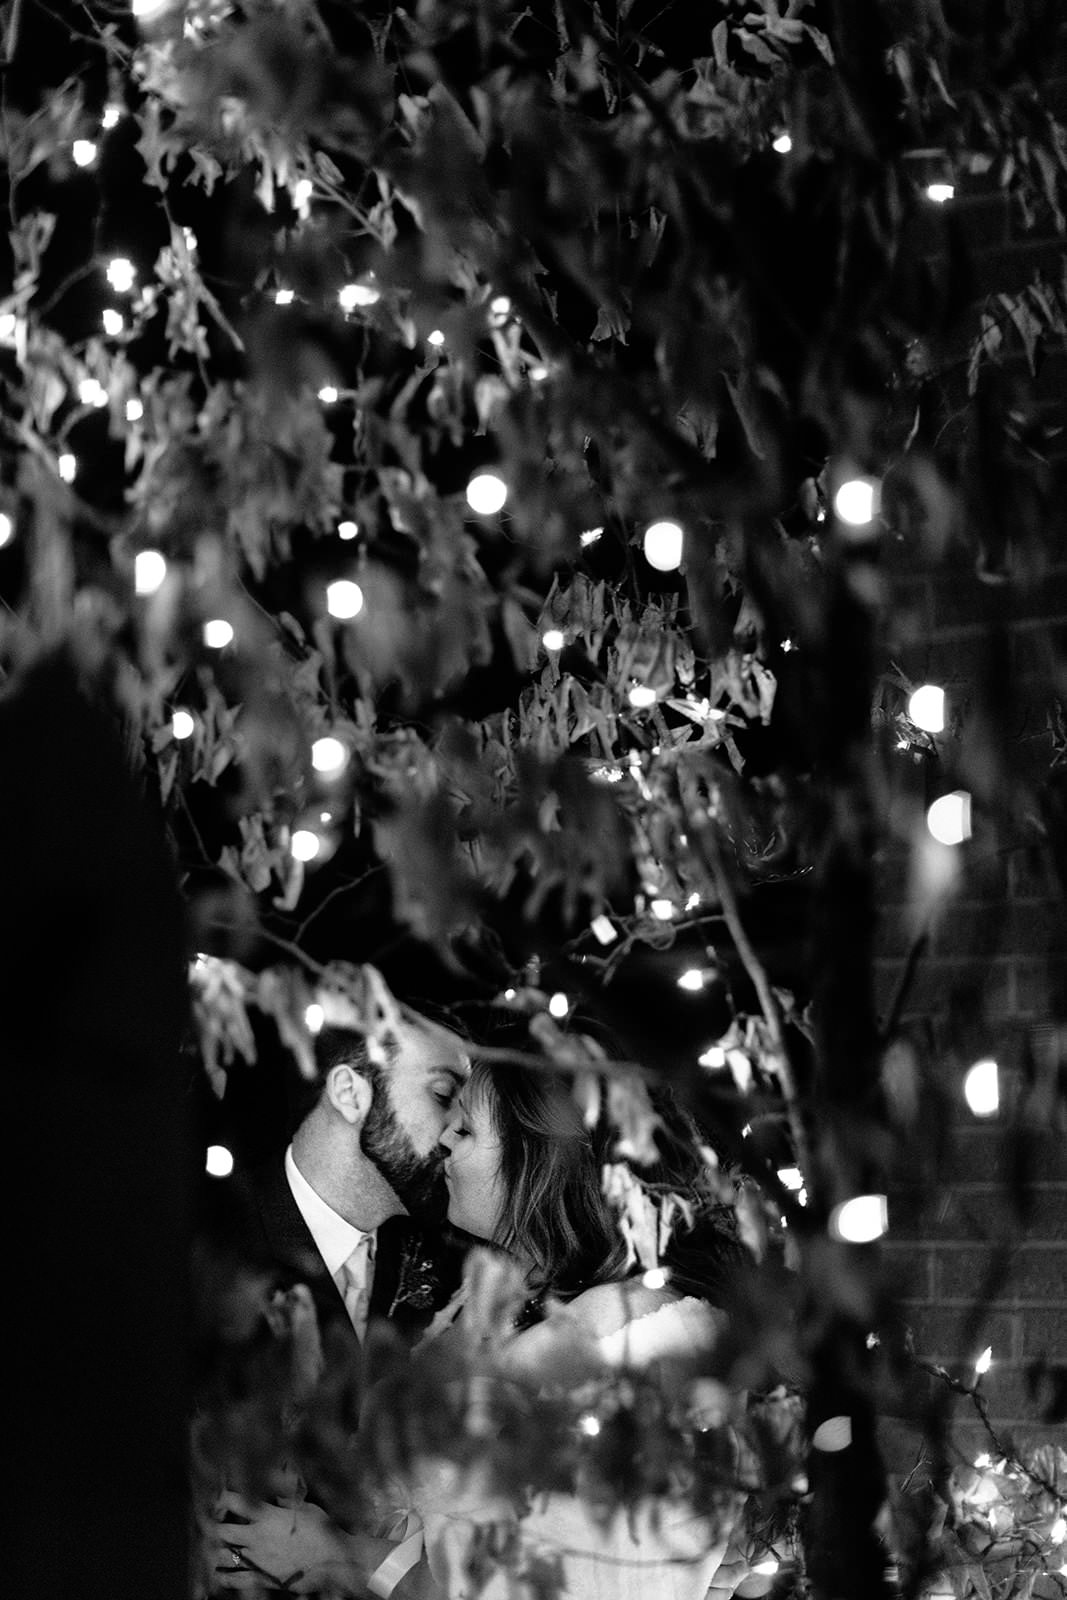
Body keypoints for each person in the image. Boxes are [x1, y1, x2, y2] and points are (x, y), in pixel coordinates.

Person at [217, 1052, 745, 1598]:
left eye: (465, 1125)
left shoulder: (622, 1347)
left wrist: (340, 1557)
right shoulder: (501, 1299)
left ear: (540, 1163)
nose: (444, 1138)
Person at [200, 1007, 471, 1596]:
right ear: (350, 1092)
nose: (456, 1132)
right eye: (443, 1096)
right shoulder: (219, 1249)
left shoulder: (451, 1270)